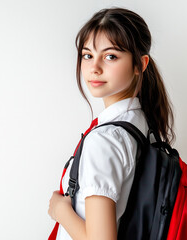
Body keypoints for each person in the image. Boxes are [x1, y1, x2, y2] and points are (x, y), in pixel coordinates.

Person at [47, 7, 176, 240]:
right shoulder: (141, 126)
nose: (94, 67)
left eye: (110, 56)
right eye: (87, 55)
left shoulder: (104, 140)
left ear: (140, 64)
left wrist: (60, 210)